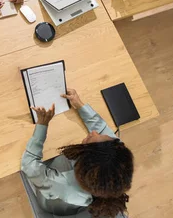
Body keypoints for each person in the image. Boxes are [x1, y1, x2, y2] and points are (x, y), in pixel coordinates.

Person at [22, 88, 134, 217]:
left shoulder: (66, 187)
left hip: (52, 200)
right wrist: (79, 104)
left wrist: (42, 125)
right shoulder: (112, 164)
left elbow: (28, 164)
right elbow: (102, 129)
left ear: (85, 159)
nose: (94, 132)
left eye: (91, 140)